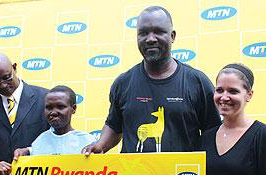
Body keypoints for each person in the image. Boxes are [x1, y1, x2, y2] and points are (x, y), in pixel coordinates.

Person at [83, 6, 220, 156]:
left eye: (158, 32)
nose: (150, 39)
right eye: (143, 33)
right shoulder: (123, 83)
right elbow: (114, 126)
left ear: (172, 36)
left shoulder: (198, 82)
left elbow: (213, 133)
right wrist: (101, 145)